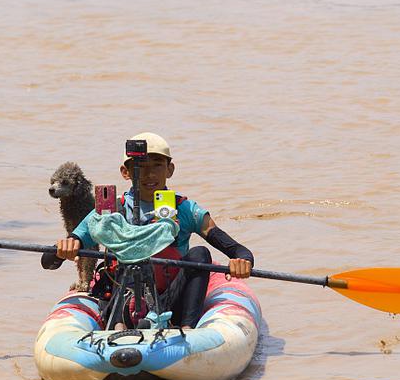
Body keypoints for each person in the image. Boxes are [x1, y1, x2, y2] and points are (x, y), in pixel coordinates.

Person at [45, 132, 254, 328]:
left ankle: (188, 330)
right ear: (125, 172)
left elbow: (237, 250)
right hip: (124, 299)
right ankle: (119, 326)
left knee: (200, 254)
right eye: (140, 166)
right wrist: (65, 249)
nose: (150, 173)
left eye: (157, 165)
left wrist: (242, 261)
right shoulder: (109, 212)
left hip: (174, 301)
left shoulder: (185, 209)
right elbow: (48, 261)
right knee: (123, 262)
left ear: (170, 169)